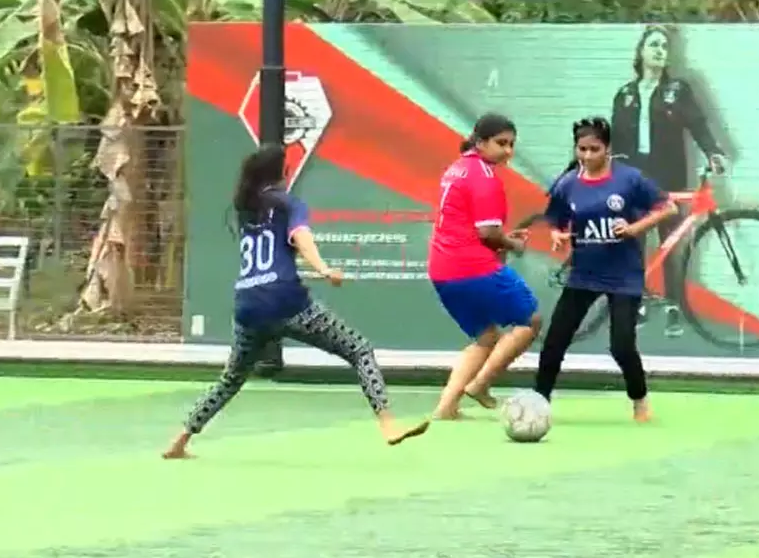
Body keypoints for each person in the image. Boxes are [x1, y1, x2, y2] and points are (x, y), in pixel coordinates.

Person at [162, 145, 429, 459]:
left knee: (231, 378)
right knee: (359, 350)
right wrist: (324, 268)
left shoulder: (247, 208)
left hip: (247, 305)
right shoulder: (289, 204)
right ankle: (387, 423)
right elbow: (301, 236)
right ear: (284, 173)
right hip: (286, 301)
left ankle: (179, 441)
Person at [535, 117, 677, 422]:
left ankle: (639, 400)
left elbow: (668, 207)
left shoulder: (629, 179)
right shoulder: (568, 183)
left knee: (621, 346)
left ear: (608, 148)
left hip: (624, 275)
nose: (587, 156)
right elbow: (556, 219)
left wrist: (635, 228)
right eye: (581, 149)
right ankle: (539, 402)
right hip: (583, 274)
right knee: (555, 340)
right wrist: (558, 235)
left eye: (594, 149)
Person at [610, 25, 727, 338]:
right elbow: (616, 139)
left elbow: (698, 124)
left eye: (664, 46)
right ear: (641, 52)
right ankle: (638, 300)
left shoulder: (677, 90)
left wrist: (713, 151)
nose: (660, 50)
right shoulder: (625, 94)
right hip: (634, 175)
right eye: (654, 45)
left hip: (668, 173)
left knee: (670, 241)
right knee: (635, 240)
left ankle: (673, 305)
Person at [429, 113, 542, 421]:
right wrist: (513, 244)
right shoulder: (484, 176)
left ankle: (445, 407)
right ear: (480, 142)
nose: (508, 151)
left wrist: (504, 238)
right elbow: (488, 233)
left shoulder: (456, 168)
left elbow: (473, 226)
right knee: (530, 321)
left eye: (512, 144)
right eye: (501, 143)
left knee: (485, 337)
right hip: (473, 267)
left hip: (442, 270)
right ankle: (480, 384)